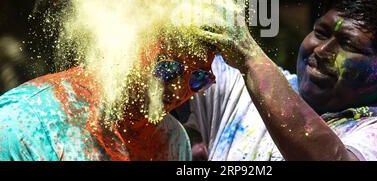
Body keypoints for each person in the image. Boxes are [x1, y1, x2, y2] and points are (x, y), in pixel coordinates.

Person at [188, 0, 377, 161]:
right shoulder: (239, 88)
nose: (322, 49)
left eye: (349, 45)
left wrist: (249, 55)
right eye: (321, 32)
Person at [0, 41, 216, 161]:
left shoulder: (172, 139)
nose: (179, 89)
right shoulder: (20, 123)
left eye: (199, 78)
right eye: (168, 69)